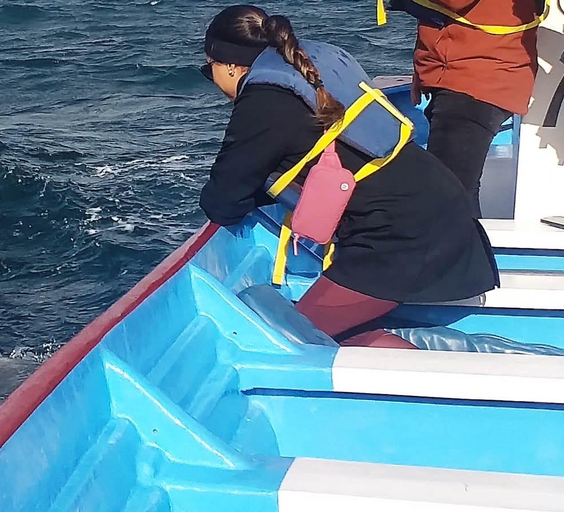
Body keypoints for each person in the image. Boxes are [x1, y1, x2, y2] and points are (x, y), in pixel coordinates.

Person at [199, 5, 500, 349]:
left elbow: (222, 202)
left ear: (230, 64)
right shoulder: (311, 67)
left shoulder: (264, 103)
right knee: (331, 331)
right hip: (432, 205)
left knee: (299, 340)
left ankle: (446, 390)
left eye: (210, 71)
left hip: (403, 238)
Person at [390, 0, 543, 217]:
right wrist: (427, 71)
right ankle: (472, 247)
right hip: (470, 73)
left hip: (477, 77)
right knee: (454, 189)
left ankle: (468, 249)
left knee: (447, 193)